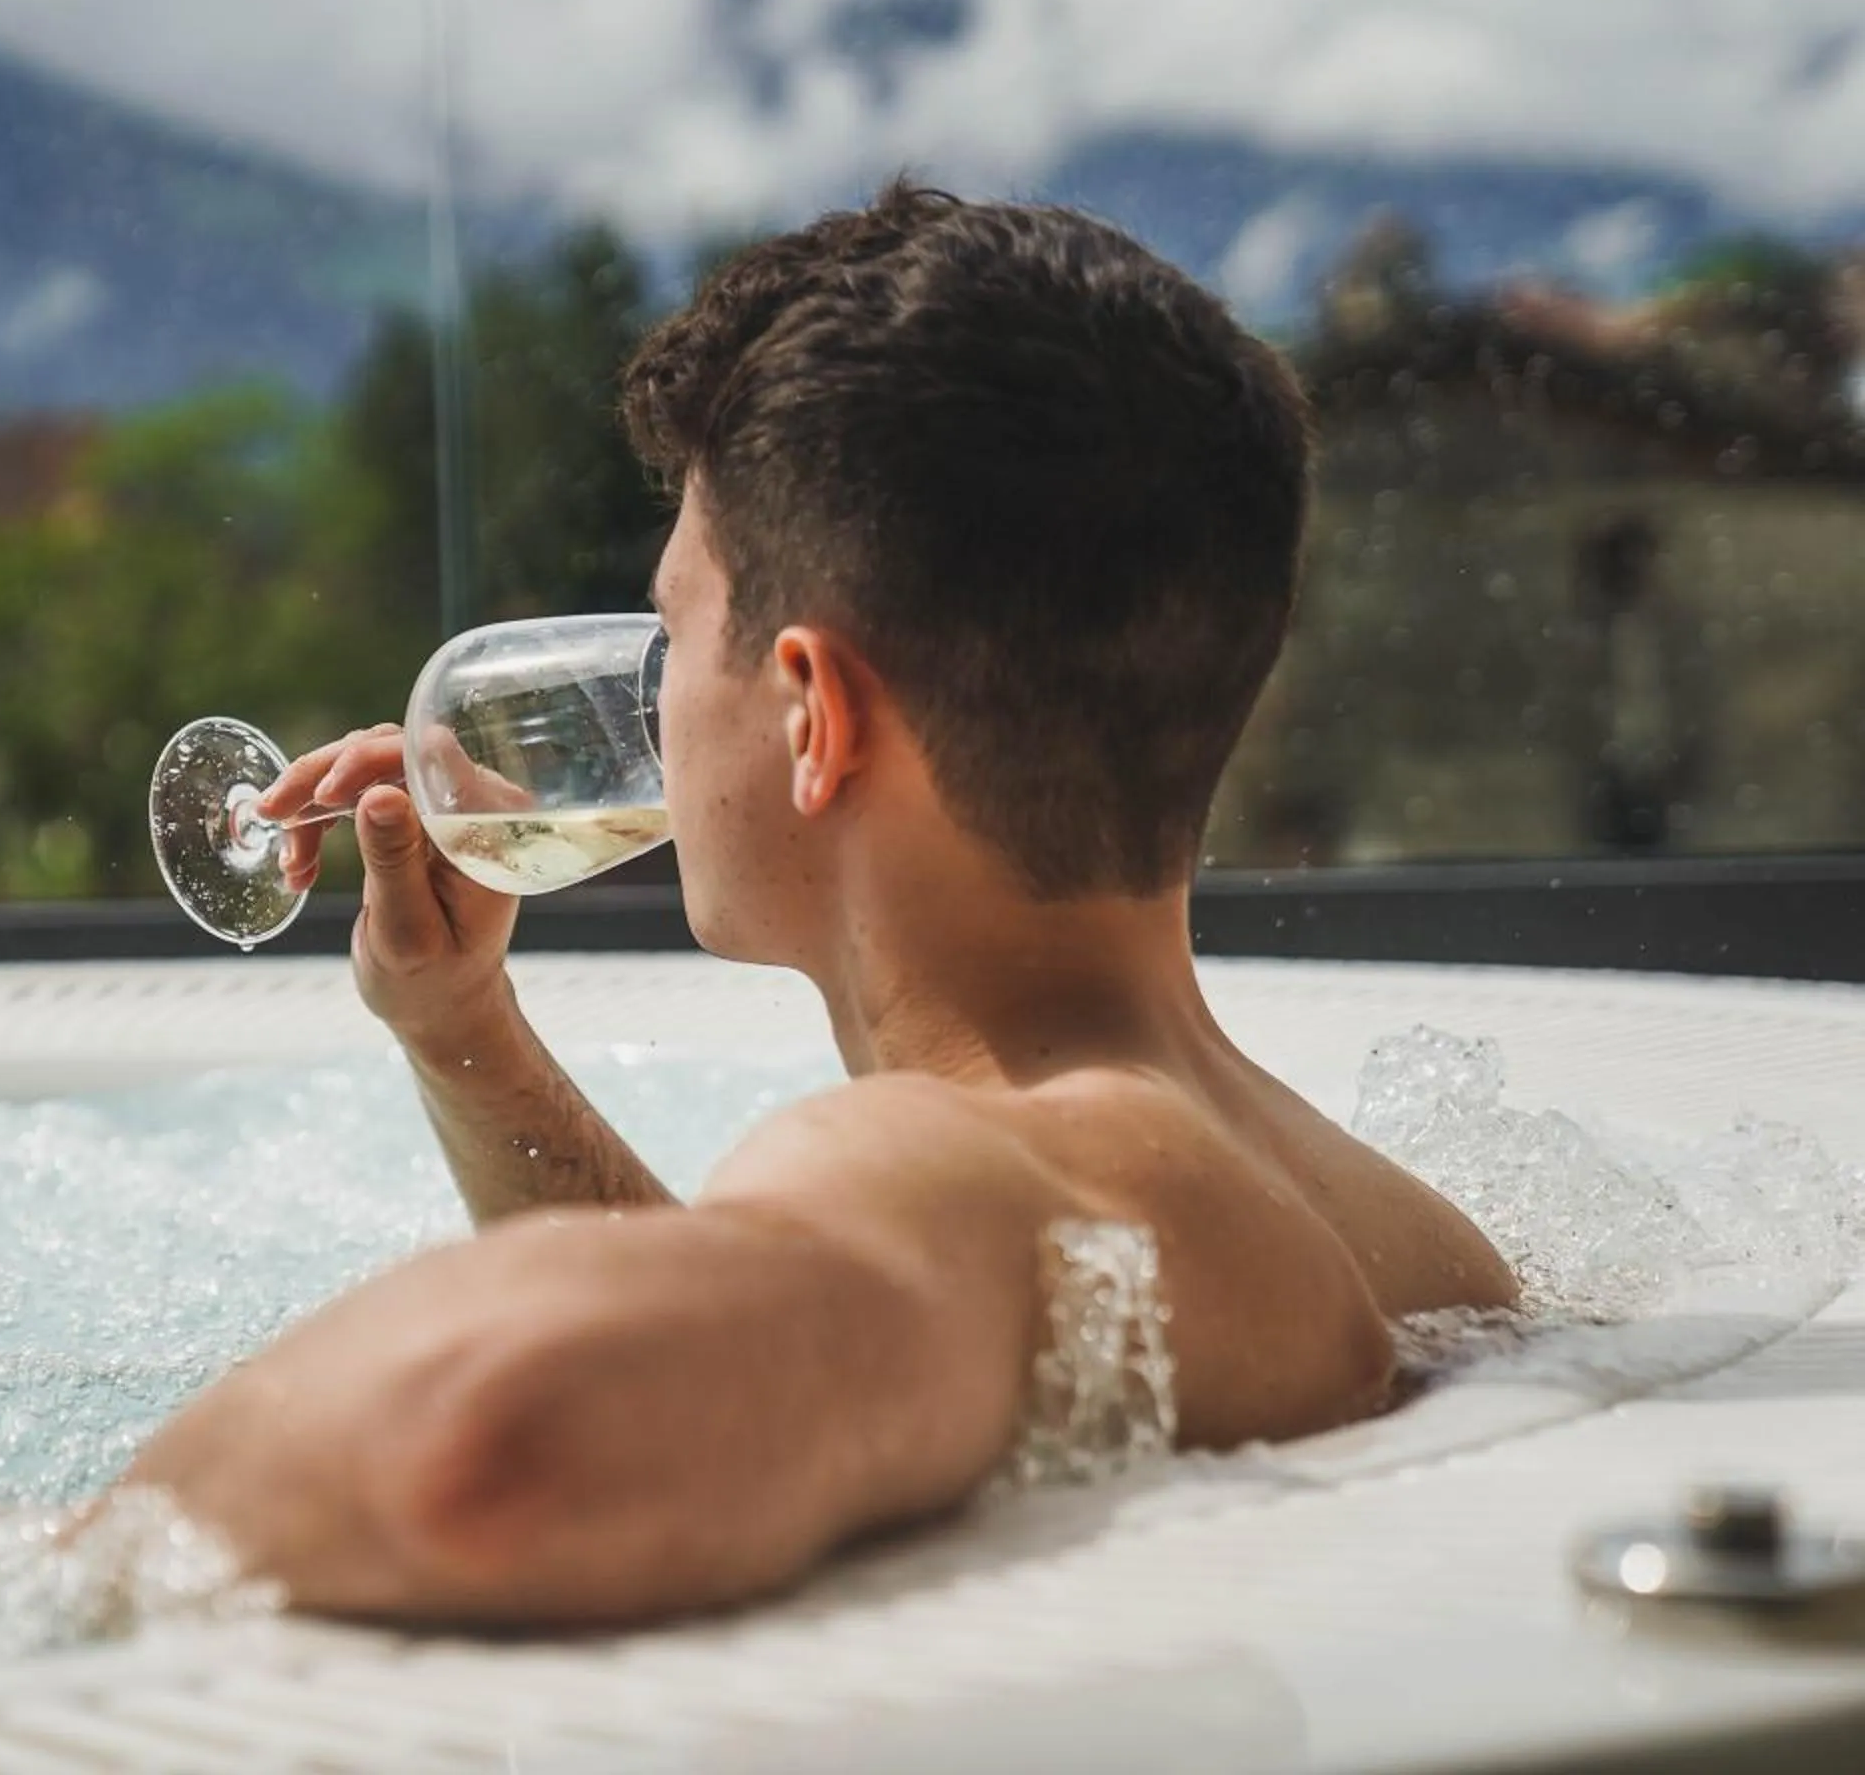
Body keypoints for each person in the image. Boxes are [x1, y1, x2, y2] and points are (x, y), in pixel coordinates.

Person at [118, 182, 1517, 1628]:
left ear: (815, 717)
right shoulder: (1409, 1235)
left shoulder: (970, 1166)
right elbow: (815, 1343)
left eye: (671, 636)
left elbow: (488, 1444)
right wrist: (463, 1033)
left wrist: (60, 1567)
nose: (649, 703)